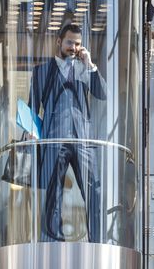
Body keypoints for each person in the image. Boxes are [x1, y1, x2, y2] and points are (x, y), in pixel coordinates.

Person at [28, 24, 106, 242]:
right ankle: (51, 241)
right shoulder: (41, 71)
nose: (74, 47)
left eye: (78, 43)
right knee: (53, 196)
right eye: (70, 42)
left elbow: (102, 93)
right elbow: (32, 106)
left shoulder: (84, 70)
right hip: (54, 140)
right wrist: (31, 132)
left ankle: (97, 242)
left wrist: (90, 65)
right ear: (59, 41)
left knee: (94, 193)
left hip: (82, 141)